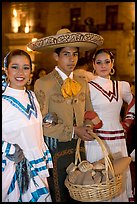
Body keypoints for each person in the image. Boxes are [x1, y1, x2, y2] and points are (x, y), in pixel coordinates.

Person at [27, 28, 104, 202]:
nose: (72, 59)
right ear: (56, 56)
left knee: (80, 189)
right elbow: (41, 122)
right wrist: (74, 130)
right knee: (59, 191)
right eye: (66, 54)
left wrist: (88, 126)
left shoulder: (82, 82)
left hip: (79, 147)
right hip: (55, 147)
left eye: (75, 54)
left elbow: (89, 112)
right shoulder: (43, 83)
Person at [2, 49, 53, 202]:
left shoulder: (31, 96)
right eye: (14, 67)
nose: (21, 72)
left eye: (26, 67)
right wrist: (9, 149)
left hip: (36, 166)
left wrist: (43, 122)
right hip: (14, 170)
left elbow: (26, 124)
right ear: (5, 69)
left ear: (31, 71)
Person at [85, 48, 135, 202]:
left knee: (118, 178)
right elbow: (82, 110)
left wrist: (126, 123)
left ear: (112, 63)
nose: (103, 65)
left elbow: (132, 103)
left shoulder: (121, 85)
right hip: (97, 139)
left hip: (118, 137)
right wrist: (90, 121)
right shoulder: (87, 86)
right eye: (99, 62)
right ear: (93, 65)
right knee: (99, 178)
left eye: (107, 61)